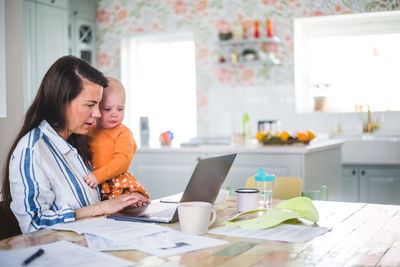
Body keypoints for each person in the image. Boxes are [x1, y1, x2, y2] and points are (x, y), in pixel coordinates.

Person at [1, 56, 150, 234]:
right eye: (90, 105)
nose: (97, 114)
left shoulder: (80, 140)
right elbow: (34, 224)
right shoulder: (32, 151)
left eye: (99, 105)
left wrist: (127, 197)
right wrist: (100, 208)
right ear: (61, 101)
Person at [83, 77, 150, 201]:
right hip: (96, 184)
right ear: (96, 108)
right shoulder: (89, 131)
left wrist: (98, 176)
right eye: (108, 109)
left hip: (117, 185)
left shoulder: (123, 133)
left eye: (120, 109)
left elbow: (122, 161)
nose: (115, 114)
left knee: (128, 210)